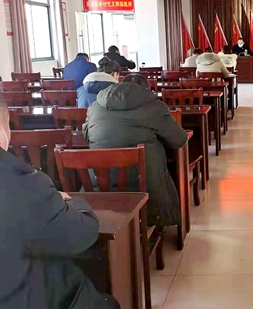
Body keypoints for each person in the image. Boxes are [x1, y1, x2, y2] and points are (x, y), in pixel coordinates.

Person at [0, 96, 120, 309]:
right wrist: (75, 203)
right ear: (2, 134)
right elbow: (82, 234)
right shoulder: (23, 185)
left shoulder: (94, 106)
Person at [83, 74, 188, 227]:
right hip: (144, 187)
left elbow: (87, 136)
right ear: (146, 91)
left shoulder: (95, 107)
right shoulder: (155, 107)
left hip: (100, 185)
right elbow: (179, 139)